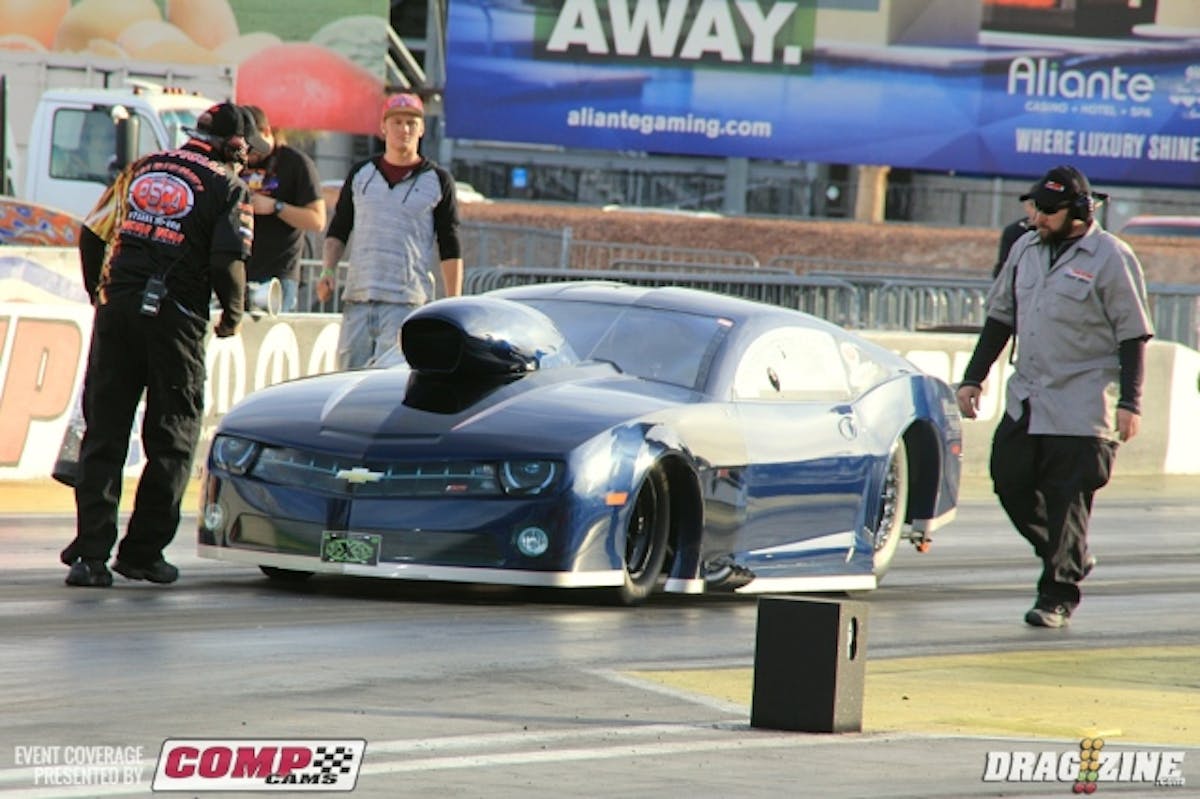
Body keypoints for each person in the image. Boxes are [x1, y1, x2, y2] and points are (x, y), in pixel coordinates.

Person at [59, 102, 270, 587]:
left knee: (105, 432)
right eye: (246, 153)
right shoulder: (230, 187)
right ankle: (141, 553)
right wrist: (233, 316)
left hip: (118, 309)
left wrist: (100, 294)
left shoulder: (142, 166)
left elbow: (92, 234)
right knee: (172, 439)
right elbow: (226, 260)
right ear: (235, 147)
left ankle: (91, 555)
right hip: (175, 321)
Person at [956, 164, 1153, 628]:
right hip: (1029, 393)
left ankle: (1057, 594)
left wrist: (1131, 402)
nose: (1038, 217)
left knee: (1068, 499)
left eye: (1048, 210)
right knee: (1009, 479)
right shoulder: (1025, 248)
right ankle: (1069, 554)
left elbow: (1133, 334)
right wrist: (972, 378)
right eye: (1035, 207)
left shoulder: (1111, 256)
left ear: (1079, 211)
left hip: (1083, 401)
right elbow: (1000, 318)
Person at [316, 92, 463, 369]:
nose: (404, 129)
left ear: (421, 129)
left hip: (406, 303)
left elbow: (450, 242)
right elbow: (339, 228)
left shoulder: (438, 180)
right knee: (347, 382)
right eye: (396, 122)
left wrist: (453, 299)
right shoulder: (361, 174)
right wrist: (327, 271)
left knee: (392, 386)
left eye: (411, 123)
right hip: (358, 299)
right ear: (383, 128)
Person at [240, 105, 326, 312]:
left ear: (267, 132)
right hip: (238, 268)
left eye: (252, 147)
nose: (248, 155)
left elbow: (317, 220)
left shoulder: (296, 163)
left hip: (277, 274)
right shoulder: (237, 161)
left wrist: (276, 207)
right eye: (243, 148)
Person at [992, 181, 1039, 279]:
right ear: (1027, 207)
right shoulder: (1014, 232)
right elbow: (1003, 270)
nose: (1038, 213)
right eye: (1033, 206)